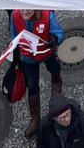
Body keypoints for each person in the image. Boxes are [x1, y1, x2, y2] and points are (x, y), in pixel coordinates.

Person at [10, 8, 65, 138]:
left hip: (46, 53)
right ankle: (35, 119)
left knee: (54, 68)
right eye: (23, 8)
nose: (25, 12)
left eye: (28, 9)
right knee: (32, 86)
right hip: (28, 58)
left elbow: (60, 34)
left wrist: (55, 39)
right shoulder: (15, 15)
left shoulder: (47, 15)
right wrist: (14, 54)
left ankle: (56, 83)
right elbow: (13, 37)